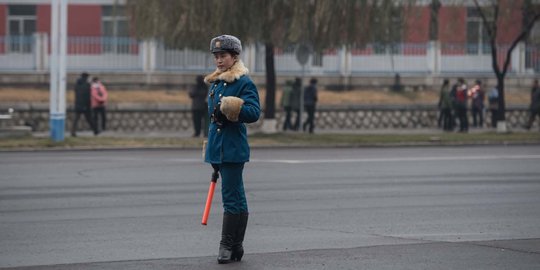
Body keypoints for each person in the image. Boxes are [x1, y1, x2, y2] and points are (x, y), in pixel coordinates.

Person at [204, 34, 261, 264]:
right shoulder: (216, 83)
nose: (219, 60)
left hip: (233, 149)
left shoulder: (243, 82)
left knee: (231, 198)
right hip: (219, 149)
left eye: (223, 56)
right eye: (216, 56)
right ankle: (237, 246)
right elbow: (212, 121)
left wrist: (230, 106)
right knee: (237, 197)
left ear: (234, 57)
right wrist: (211, 152)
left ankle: (226, 245)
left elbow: (254, 112)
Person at [71, 72, 98, 137]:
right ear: (87, 77)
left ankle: (73, 132)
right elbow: (87, 96)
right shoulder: (87, 85)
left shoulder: (77, 84)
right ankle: (95, 130)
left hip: (78, 104)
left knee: (76, 119)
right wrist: (88, 105)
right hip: (85, 105)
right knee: (89, 119)